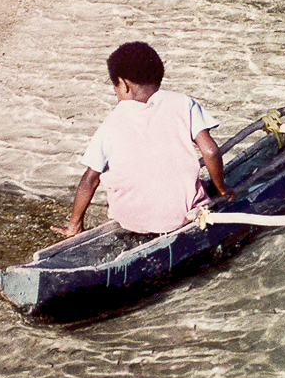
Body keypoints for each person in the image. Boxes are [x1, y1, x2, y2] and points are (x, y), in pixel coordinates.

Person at [51, 42, 233, 238]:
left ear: (124, 84)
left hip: (130, 220)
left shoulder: (110, 124)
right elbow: (211, 151)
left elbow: (90, 179)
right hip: (181, 216)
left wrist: (74, 226)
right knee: (199, 187)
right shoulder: (182, 102)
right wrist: (221, 190)